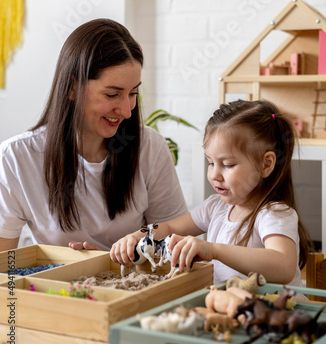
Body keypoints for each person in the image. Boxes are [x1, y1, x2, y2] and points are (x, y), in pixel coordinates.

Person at [0, 19, 187, 252]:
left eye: (133, 93)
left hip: (134, 285)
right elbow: (5, 265)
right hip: (56, 288)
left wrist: (109, 266)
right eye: (112, 94)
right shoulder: (16, 158)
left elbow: (174, 247)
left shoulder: (150, 147)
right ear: (71, 88)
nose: (127, 111)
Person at [111, 99, 312, 286]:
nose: (215, 174)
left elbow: (283, 266)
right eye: (210, 162)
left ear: (266, 164)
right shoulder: (215, 207)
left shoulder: (274, 213)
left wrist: (213, 250)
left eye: (228, 164)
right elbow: (169, 226)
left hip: (278, 316)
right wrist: (138, 236)